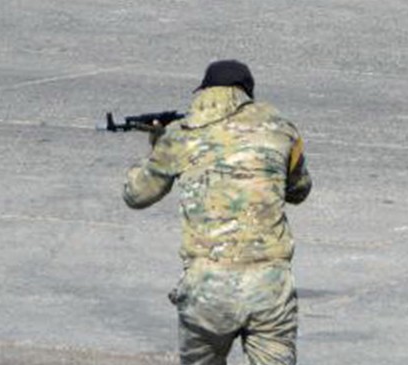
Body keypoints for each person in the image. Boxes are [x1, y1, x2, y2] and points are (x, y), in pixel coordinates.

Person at [123, 60, 311, 365]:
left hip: (207, 289)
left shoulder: (181, 134)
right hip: (269, 287)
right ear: (247, 93)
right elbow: (299, 190)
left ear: (205, 92)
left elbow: (136, 194)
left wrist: (158, 145)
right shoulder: (282, 130)